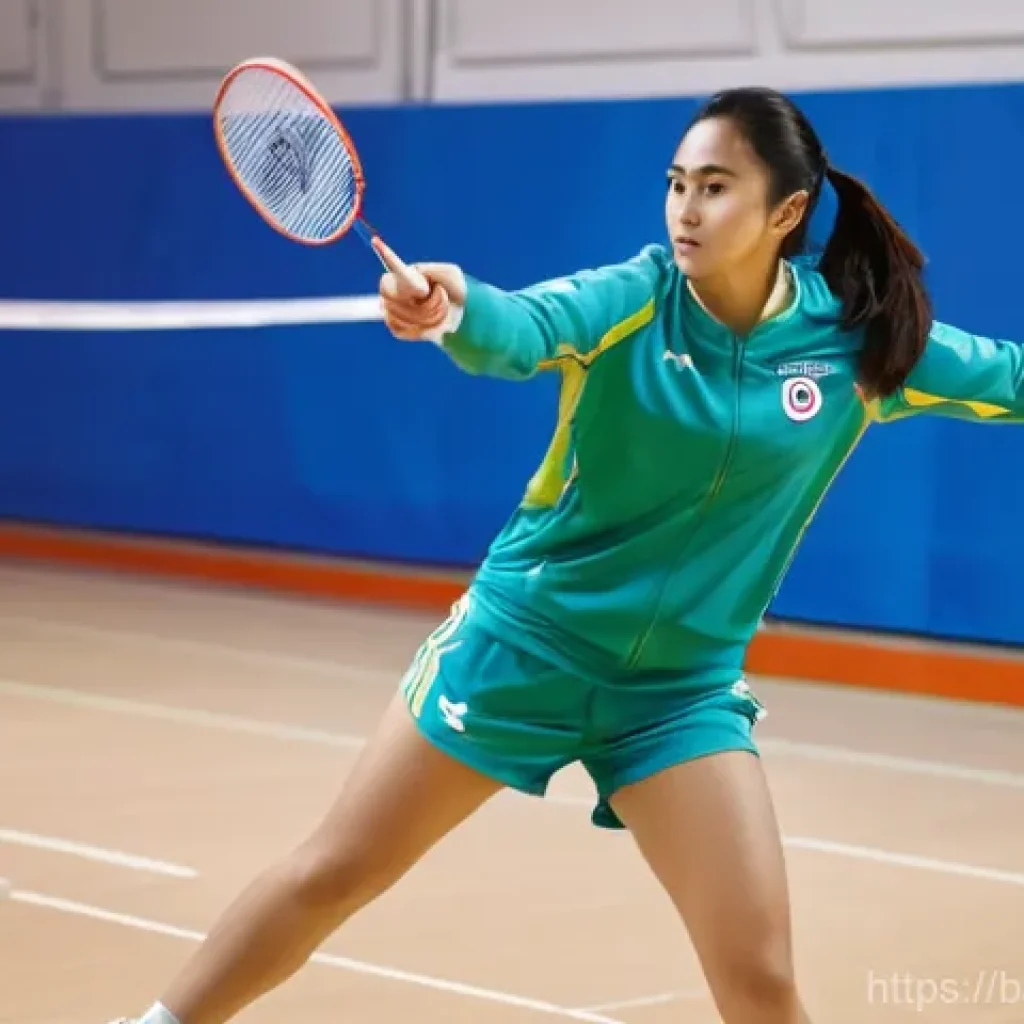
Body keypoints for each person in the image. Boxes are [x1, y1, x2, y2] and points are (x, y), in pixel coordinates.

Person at [109, 87, 1024, 1024]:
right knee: (335, 872)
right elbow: (520, 329)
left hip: (677, 697)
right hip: (522, 649)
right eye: (676, 185)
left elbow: (1008, 377)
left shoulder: (853, 347)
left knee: (759, 976)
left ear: (786, 212)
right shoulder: (634, 299)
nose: (685, 210)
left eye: (715, 188)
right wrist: (453, 308)